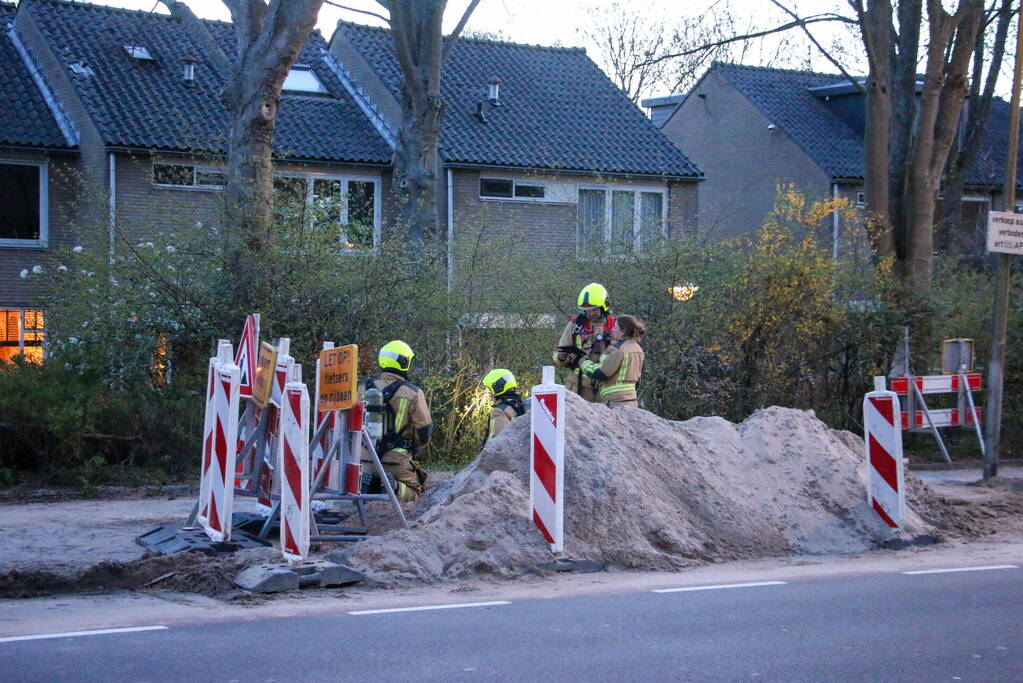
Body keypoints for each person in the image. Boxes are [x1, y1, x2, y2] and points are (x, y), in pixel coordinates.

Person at [362, 340, 432, 502]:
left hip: (364, 459)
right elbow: (424, 432)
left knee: (361, 486)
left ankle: (366, 487)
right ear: (404, 362)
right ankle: (395, 487)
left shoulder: (362, 388)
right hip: (396, 462)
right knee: (417, 493)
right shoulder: (413, 392)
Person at [552, 282, 616, 402]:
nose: (590, 313)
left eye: (594, 309)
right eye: (587, 310)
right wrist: (561, 357)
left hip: (604, 388)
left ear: (604, 305)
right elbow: (558, 352)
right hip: (577, 387)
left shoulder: (615, 325)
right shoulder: (575, 325)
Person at [580, 314, 645, 408]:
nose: (612, 329)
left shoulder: (618, 350)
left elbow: (601, 373)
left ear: (624, 331)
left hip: (615, 402)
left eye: (615, 327)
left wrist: (582, 361)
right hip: (631, 401)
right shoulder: (638, 349)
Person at [481, 368, 526, 443]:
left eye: (490, 390)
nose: (489, 394)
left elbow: (494, 444)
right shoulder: (517, 404)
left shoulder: (499, 412)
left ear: (498, 388)